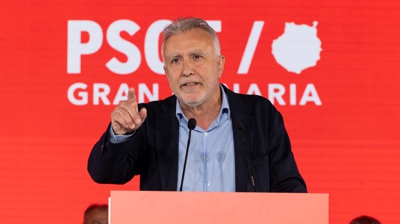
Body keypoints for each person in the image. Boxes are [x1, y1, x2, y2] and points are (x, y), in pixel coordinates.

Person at [88, 17, 306, 192]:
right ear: (166, 72)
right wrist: (121, 135)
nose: (186, 70)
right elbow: (105, 174)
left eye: (197, 57)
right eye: (176, 60)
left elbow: (290, 188)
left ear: (219, 64)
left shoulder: (260, 115)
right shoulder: (148, 119)